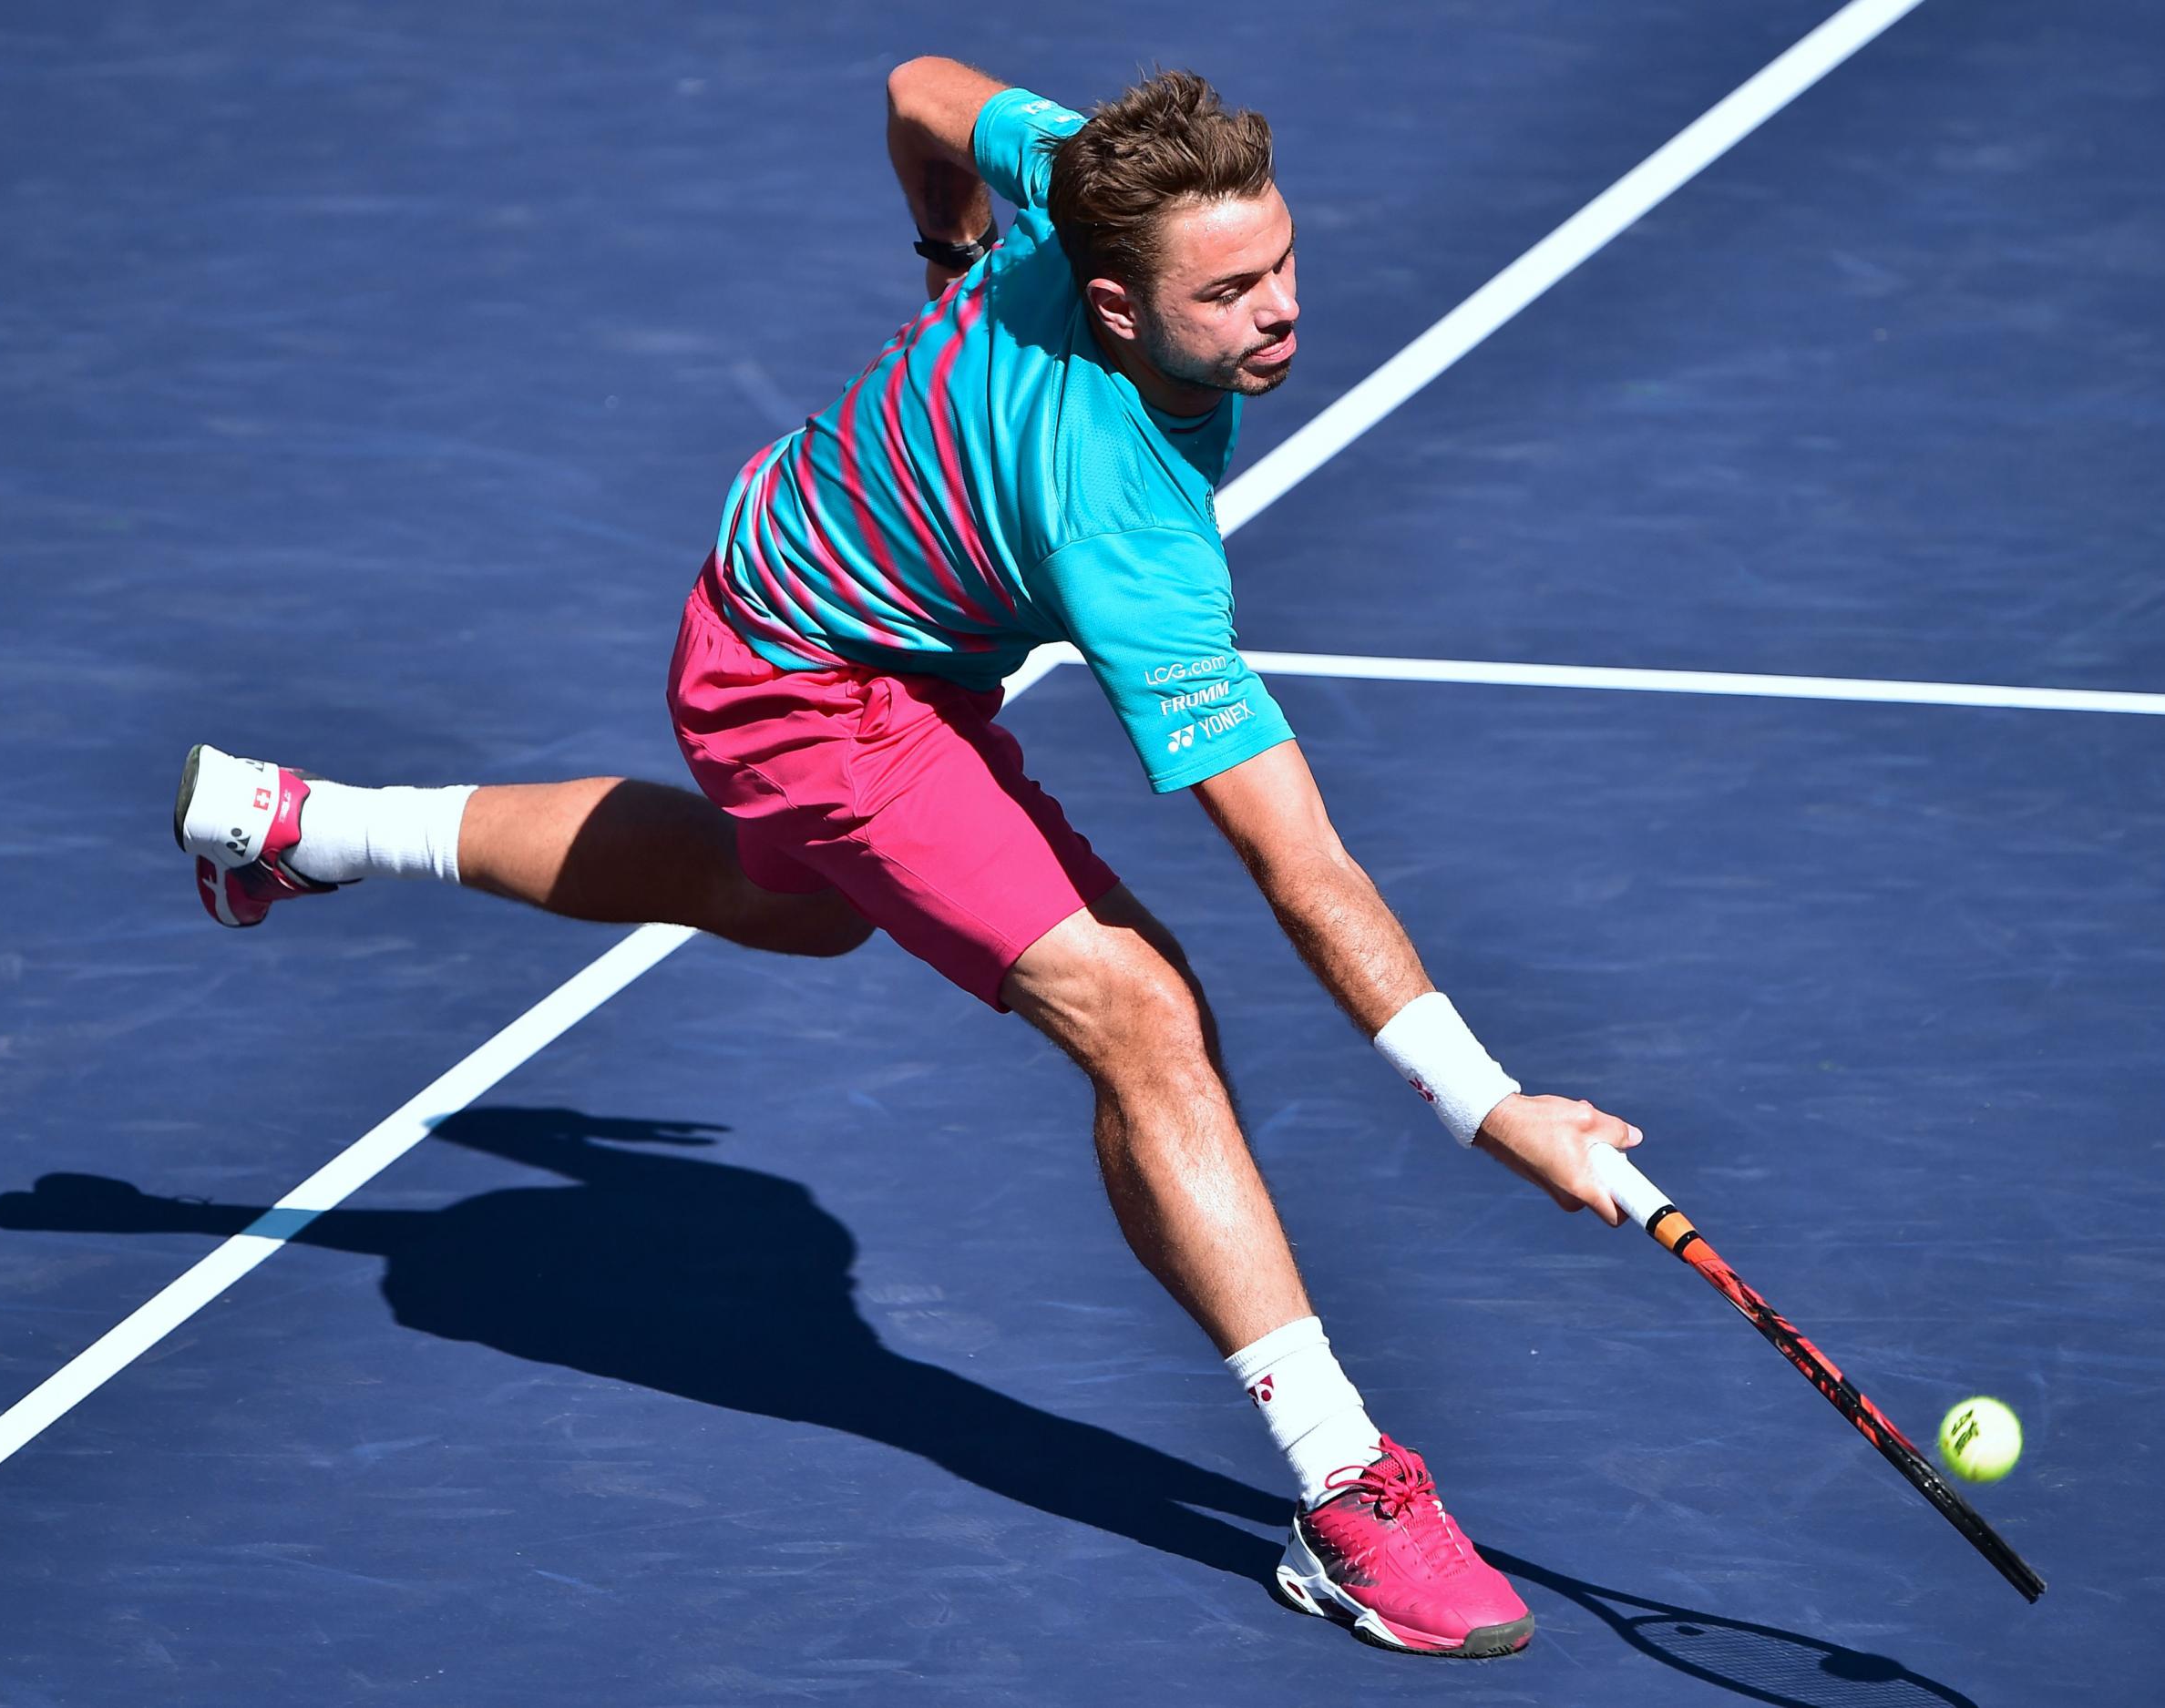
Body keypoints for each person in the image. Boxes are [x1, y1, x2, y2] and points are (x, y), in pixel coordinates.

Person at [174, 60, 1642, 1658]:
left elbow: (919, 87)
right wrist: (1487, 1105)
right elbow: (1302, 865)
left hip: (800, 584)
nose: (1280, 310)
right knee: (1144, 1017)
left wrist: (946, 254)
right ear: (1117, 306)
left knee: (775, 903)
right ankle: (1345, 1488)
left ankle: (304, 827)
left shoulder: (1087, 171)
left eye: (1284, 261)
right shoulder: (1126, 527)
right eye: (1228, 293)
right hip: (817, 693)